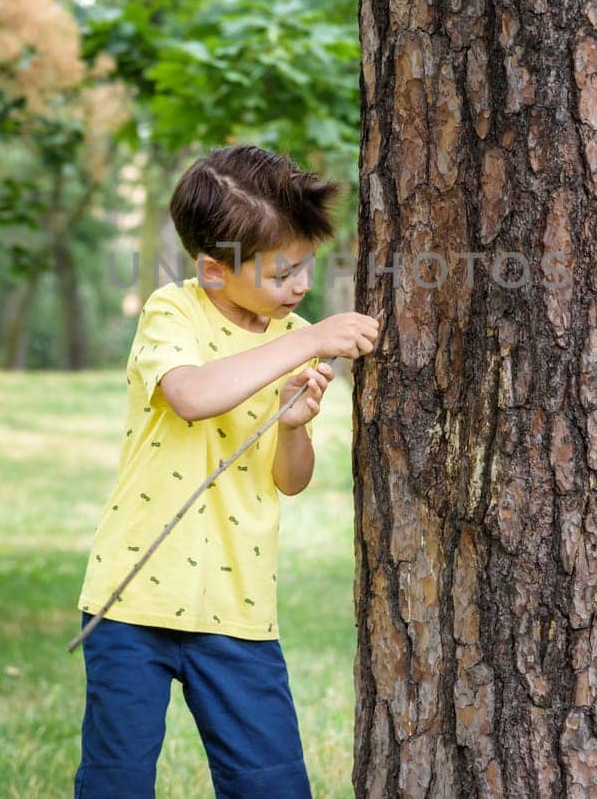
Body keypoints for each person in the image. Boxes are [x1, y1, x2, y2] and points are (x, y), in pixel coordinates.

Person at [73, 144, 380, 799]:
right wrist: (307, 339)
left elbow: (289, 480)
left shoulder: (287, 332)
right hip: (133, 604)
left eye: (306, 267)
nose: (299, 287)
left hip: (238, 608)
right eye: (280, 273)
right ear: (214, 272)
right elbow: (190, 395)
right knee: (116, 781)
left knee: (271, 786)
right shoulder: (173, 312)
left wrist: (294, 426)